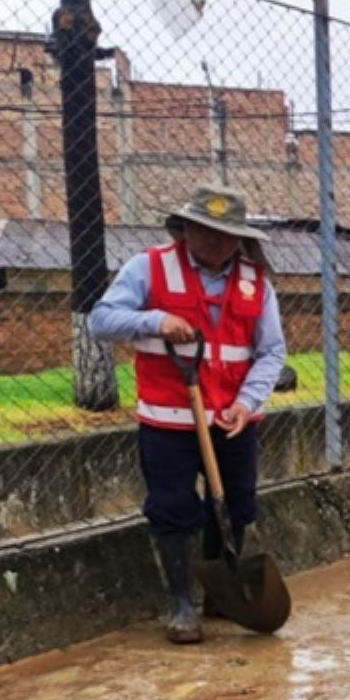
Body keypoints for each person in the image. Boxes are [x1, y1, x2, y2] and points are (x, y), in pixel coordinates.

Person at [89, 186, 286, 645]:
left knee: (236, 504)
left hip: (232, 419)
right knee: (174, 510)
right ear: (186, 228)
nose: (216, 241)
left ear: (239, 237)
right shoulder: (150, 267)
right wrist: (153, 321)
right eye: (206, 230)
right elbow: (102, 319)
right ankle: (181, 604)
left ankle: (222, 593)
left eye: (226, 234)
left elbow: (271, 351)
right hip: (168, 421)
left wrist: (247, 403)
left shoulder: (257, 282)